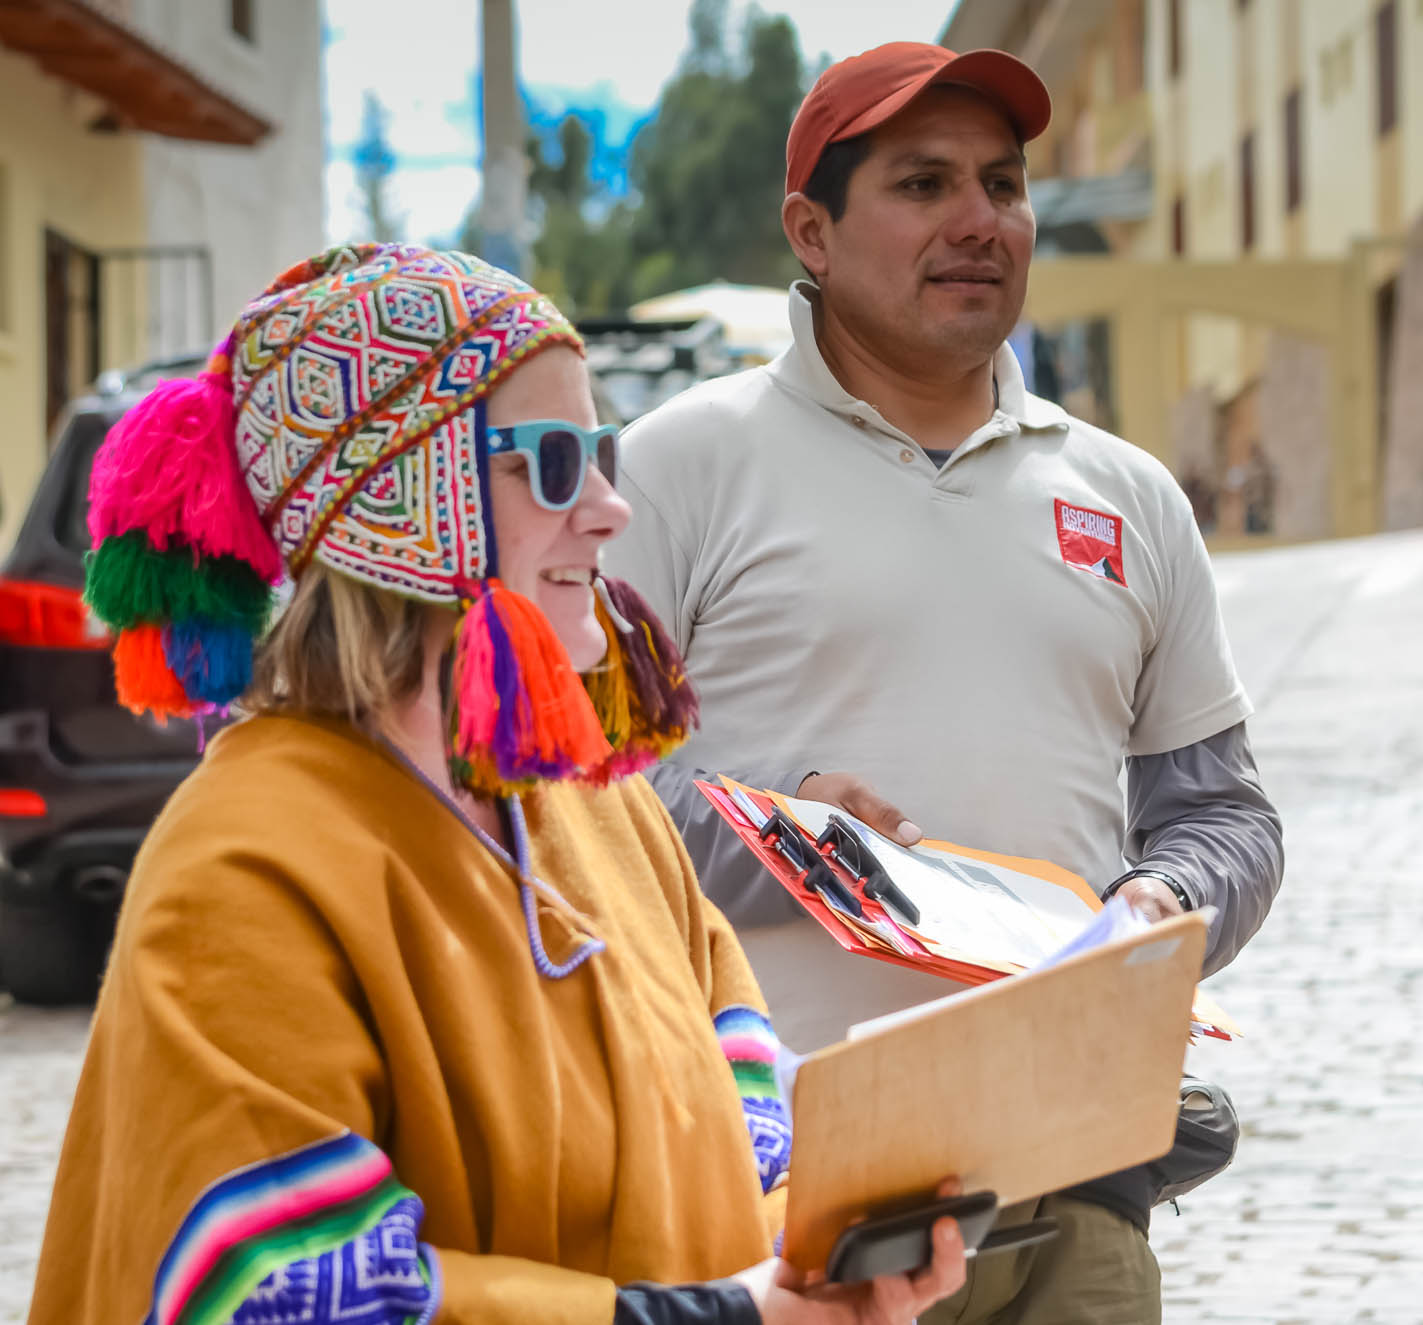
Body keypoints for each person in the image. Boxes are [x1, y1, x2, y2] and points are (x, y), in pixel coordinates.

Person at [27, 243, 965, 1325]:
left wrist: (838, 1248)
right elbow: (276, 1284)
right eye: (557, 462)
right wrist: (720, 1318)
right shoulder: (241, 861)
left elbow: (745, 1108)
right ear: (408, 503)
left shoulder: (595, 801)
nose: (611, 508)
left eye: (602, 453)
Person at [606, 43, 1284, 1325]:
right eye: (923, 185)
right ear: (810, 228)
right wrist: (783, 836)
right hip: (776, 1207)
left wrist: (1162, 899)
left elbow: (1228, 818)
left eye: (1004, 183)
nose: (981, 221)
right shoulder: (675, 468)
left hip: (1076, 1184)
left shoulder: (1128, 493)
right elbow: (558, 810)